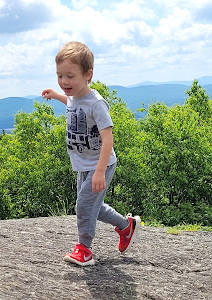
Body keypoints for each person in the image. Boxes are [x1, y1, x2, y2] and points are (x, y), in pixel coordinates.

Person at [42, 41, 140, 266]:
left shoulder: (97, 103)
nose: (64, 81)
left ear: (88, 75)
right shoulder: (76, 96)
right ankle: (127, 226)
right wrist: (57, 95)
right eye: (60, 76)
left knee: (84, 206)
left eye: (70, 76)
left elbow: (108, 139)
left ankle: (84, 249)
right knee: (94, 206)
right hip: (83, 164)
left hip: (100, 165)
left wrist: (99, 172)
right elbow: (73, 103)